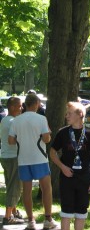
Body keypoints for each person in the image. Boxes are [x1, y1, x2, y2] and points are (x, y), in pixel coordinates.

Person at [8, 93, 58, 229]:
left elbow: (11, 141)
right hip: (39, 158)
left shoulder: (16, 120)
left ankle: (31, 221)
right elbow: (47, 139)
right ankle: (48, 219)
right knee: (46, 188)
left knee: (27, 190)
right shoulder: (41, 118)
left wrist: (22, 138)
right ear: (36, 104)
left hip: (23, 159)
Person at [50, 102, 90, 230]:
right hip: (67, 178)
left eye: (69, 113)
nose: (66, 116)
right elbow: (52, 153)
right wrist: (62, 167)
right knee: (66, 212)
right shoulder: (63, 132)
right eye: (66, 113)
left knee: (81, 212)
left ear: (80, 114)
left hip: (84, 178)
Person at [0, 97, 24, 225]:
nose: (21, 108)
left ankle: (14, 212)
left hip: (5, 156)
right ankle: (8, 217)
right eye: (19, 106)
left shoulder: (4, 120)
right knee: (15, 187)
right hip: (14, 157)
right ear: (12, 107)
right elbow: (16, 139)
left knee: (10, 185)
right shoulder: (14, 122)